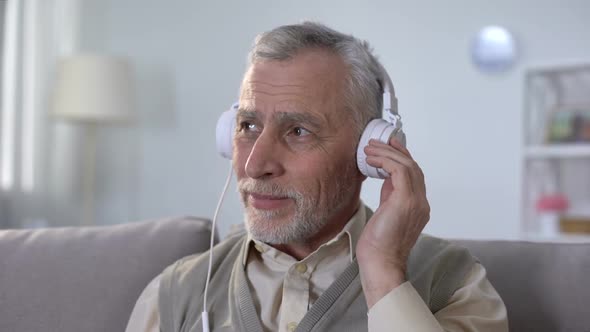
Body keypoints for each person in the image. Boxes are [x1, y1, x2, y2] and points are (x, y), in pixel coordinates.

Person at [126, 22, 508, 332]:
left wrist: (384, 272)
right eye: (248, 125)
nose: (255, 165)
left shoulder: (453, 282)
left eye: (298, 131)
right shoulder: (173, 295)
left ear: (369, 151)